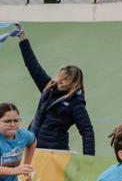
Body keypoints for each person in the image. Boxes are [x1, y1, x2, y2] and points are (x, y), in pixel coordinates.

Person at [15, 25, 94, 155]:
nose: (59, 81)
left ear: (74, 82)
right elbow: (32, 65)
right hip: (32, 148)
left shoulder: (76, 103)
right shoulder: (49, 88)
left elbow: (87, 130)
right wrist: (23, 38)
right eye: (60, 76)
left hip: (54, 153)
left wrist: (89, 159)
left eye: (65, 79)